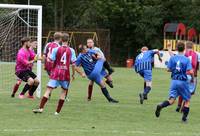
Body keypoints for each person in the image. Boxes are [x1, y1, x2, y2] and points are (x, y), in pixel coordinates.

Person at [33, 33, 76, 115]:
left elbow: (51, 59)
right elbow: (73, 63)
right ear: (68, 40)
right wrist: (73, 74)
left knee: (48, 90)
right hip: (65, 73)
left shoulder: (56, 49)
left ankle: (41, 108)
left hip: (56, 72)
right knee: (63, 92)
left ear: (61, 40)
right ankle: (57, 112)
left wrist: (46, 61)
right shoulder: (71, 50)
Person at [155, 42, 193, 122]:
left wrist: (175, 70)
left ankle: (161, 105)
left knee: (171, 100)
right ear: (184, 49)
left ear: (176, 49)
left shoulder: (173, 58)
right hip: (183, 82)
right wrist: (192, 78)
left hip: (174, 82)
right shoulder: (186, 59)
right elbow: (191, 71)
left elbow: (168, 69)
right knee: (187, 100)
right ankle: (184, 118)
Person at [176, 41, 198, 112]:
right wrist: (195, 74)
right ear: (193, 46)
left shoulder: (184, 53)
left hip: (183, 74)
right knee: (189, 92)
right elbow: (196, 65)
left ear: (185, 46)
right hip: (192, 74)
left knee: (182, 90)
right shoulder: (196, 54)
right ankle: (184, 106)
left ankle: (179, 105)